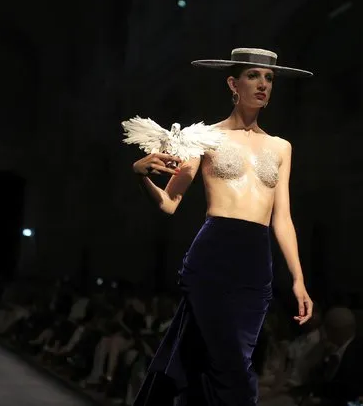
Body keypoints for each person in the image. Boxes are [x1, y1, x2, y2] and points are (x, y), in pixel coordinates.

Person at [130, 48, 315, 406]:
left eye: (269, 78)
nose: (263, 85)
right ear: (233, 83)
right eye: (253, 76)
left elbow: (283, 218)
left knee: (233, 358)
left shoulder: (281, 147)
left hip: (256, 261)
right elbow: (170, 203)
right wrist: (141, 177)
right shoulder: (203, 138)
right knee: (230, 366)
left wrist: (298, 279)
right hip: (213, 254)